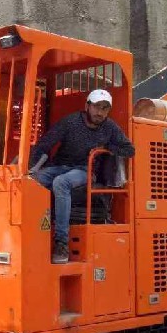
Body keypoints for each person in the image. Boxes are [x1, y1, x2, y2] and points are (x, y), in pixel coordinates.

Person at [29, 89, 135, 264]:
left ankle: (61, 243)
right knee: (32, 181)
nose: (100, 112)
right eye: (97, 107)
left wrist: (106, 147)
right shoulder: (70, 122)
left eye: (105, 108)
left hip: (85, 170)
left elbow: (129, 150)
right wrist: (33, 166)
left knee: (61, 183)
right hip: (59, 166)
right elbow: (46, 142)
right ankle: (32, 234)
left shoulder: (110, 127)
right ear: (87, 106)